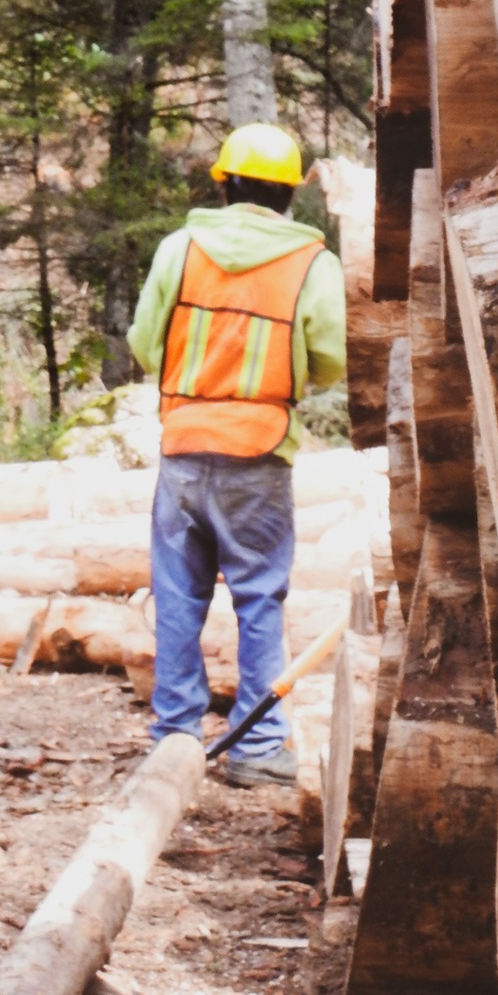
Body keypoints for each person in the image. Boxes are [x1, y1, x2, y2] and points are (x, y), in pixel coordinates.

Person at [127, 122, 346, 787]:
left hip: (184, 445)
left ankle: (174, 736)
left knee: (177, 595)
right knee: (258, 599)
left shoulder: (179, 249)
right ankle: (257, 747)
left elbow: (144, 342)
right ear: (291, 195)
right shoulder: (313, 264)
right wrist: (282, 380)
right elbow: (330, 359)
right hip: (258, 453)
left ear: (222, 183)